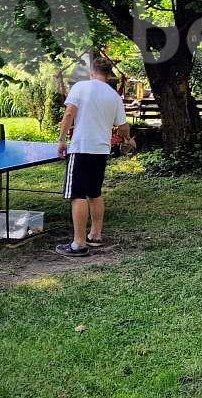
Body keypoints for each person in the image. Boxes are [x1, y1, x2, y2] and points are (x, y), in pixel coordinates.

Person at [55, 57, 130, 257]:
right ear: (108, 75)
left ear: (92, 71)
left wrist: (62, 140)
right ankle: (95, 235)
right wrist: (128, 139)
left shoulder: (80, 87)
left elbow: (69, 113)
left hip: (81, 148)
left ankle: (78, 244)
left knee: (77, 194)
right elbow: (123, 127)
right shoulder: (114, 96)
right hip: (101, 150)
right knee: (94, 193)